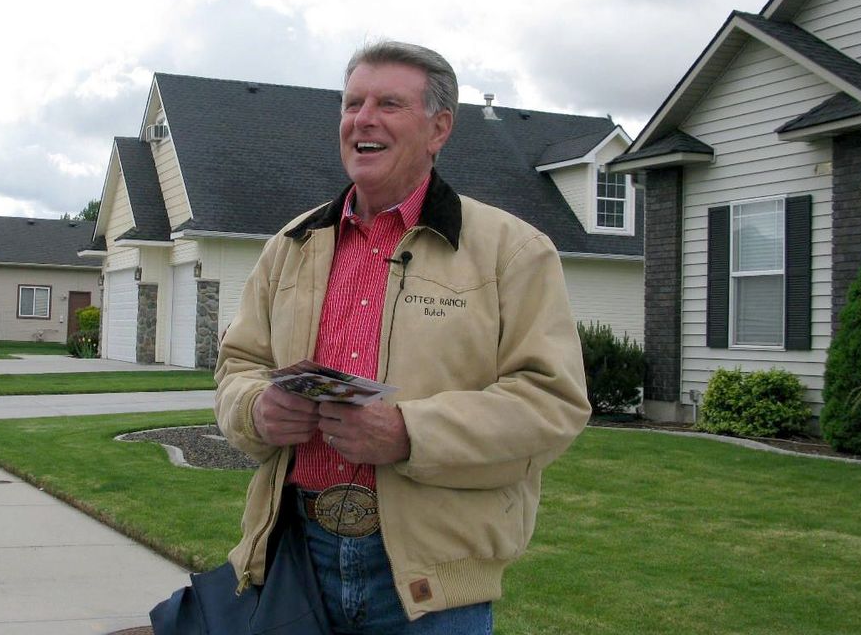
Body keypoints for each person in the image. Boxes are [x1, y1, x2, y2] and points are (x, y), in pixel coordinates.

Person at [214, 41, 591, 634]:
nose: (362, 119)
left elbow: (552, 402)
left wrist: (409, 433)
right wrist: (256, 409)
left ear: (439, 127)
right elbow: (238, 364)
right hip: (294, 558)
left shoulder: (512, 251)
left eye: (389, 104)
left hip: (429, 585)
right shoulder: (291, 246)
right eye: (352, 103)